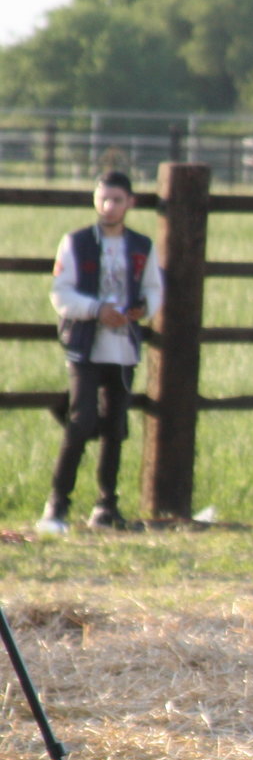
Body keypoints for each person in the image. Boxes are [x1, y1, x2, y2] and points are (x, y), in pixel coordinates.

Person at [37, 170, 164, 534]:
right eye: (103, 199)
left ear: (130, 203)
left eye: (117, 200)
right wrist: (96, 310)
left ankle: (106, 505)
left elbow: (154, 288)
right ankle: (57, 505)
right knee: (80, 422)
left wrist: (143, 309)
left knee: (115, 426)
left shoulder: (141, 246)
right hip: (85, 347)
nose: (108, 207)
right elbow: (61, 293)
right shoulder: (76, 243)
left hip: (123, 348)